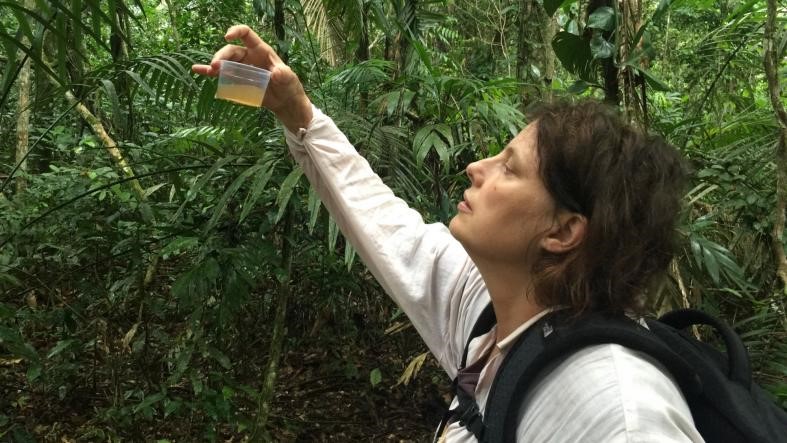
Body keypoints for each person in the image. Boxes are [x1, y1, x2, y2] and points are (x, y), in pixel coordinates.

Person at [193, 25, 703, 442]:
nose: (476, 168)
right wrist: (294, 110)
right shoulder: (493, 311)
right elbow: (384, 223)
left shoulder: (619, 409)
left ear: (565, 230)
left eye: (509, 168)